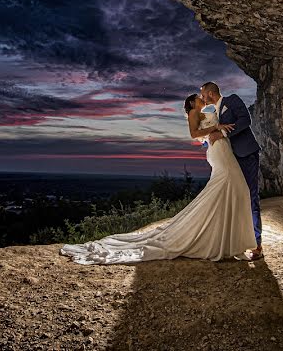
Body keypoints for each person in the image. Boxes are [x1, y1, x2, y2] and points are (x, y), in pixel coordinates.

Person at [59, 93, 256, 264]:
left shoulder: (210, 110)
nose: (201, 98)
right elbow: (194, 133)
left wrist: (218, 129)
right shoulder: (194, 113)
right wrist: (216, 128)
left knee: (234, 187)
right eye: (198, 97)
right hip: (218, 150)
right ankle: (221, 238)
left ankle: (228, 237)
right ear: (192, 103)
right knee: (230, 184)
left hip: (223, 149)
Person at [200, 81, 263, 260]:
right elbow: (211, 133)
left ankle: (257, 244)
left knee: (251, 196)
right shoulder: (211, 113)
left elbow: (245, 120)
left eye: (203, 95)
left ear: (211, 94)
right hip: (229, 160)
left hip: (246, 154)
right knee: (233, 199)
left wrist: (223, 133)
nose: (202, 99)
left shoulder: (232, 100)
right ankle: (238, 242)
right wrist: (206, 137)